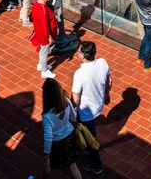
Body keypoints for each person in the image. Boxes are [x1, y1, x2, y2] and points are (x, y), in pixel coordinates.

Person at [72, 41, 112, 175]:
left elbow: (76, 97)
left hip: (85, 112)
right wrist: (106, 94)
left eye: (78, 51)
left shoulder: (79, 73)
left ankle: (96, 165)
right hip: (97, 105)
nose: (77, 53)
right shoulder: (102, 63)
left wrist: (73, 110)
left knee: (90, 139)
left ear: (83, 55)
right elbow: (109, 80)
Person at [42, 78, 82, 179]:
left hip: (57, 144)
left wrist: (46, 156)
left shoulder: (47, 116)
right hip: (70, 137)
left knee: (48, 168)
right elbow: (73, 116)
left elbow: (48, 137)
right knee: (72, 165)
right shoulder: (66, 101)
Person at [31, 0, 58, 79]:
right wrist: (49, 36)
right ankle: (44, 71)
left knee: (42, 50)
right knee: (44, 52)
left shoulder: (36, 5)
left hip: (40, 33)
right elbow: (44, 24)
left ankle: (41, 65)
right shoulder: (42, 9)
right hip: (44, 34)